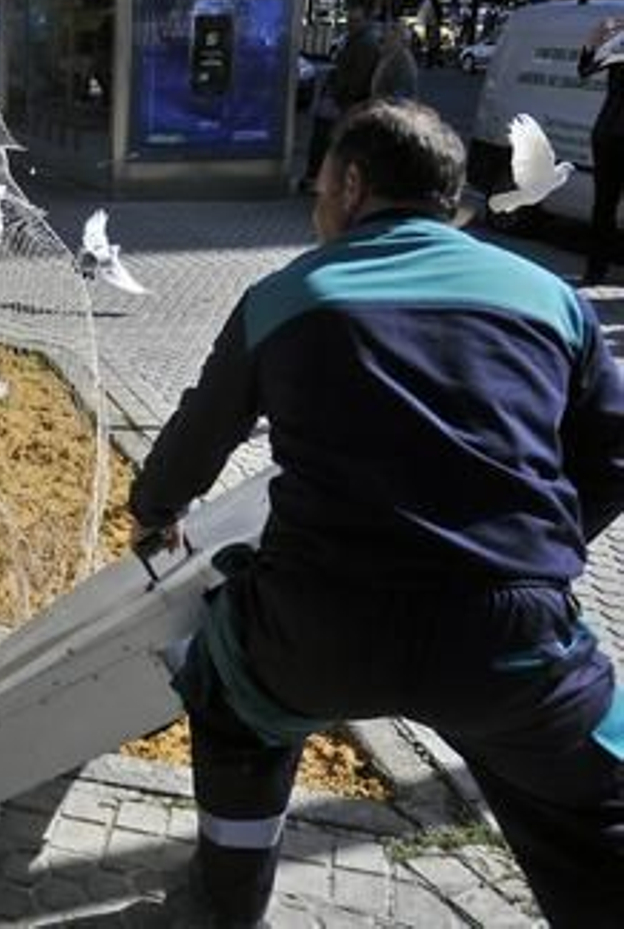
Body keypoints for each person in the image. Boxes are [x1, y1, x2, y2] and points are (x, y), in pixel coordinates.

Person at [130, 100, 624, 928]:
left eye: (320, 188)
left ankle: (226, 902)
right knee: (593, 801)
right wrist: (536, 548)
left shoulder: (283, 297)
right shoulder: (552, 299)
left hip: (313, 630)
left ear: (352, 186)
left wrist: (155, 510)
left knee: (226, 694)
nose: (318, 208)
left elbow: (197, 436)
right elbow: (613, 454)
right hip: (509, 647)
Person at [300, 2, 383, 192]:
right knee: (327, 139)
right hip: (341, 99)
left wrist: (341, 97)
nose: (350, 24)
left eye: (355, 20)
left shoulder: (365, 43)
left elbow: (358, 77)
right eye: (349, 20)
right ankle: (319, 178)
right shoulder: (356, 40)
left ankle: (320, 179)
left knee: (328, 140)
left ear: (365, 21)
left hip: (344, 101)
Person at [579, 15, 624, 285]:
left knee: (604, 207)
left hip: (608, 133)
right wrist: (595, 38)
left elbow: (585, 68)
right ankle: (595, 270)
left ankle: (595, 271)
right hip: (611, 135)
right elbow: (586, 67)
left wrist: (595, 39)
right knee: (604, 207)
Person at [369, 20, 418, 101]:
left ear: (398, 39)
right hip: (383, 106)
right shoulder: (386, 56)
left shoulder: (402, 59)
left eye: (388, 38)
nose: (383, 41)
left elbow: (402, 94)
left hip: (396, 109)